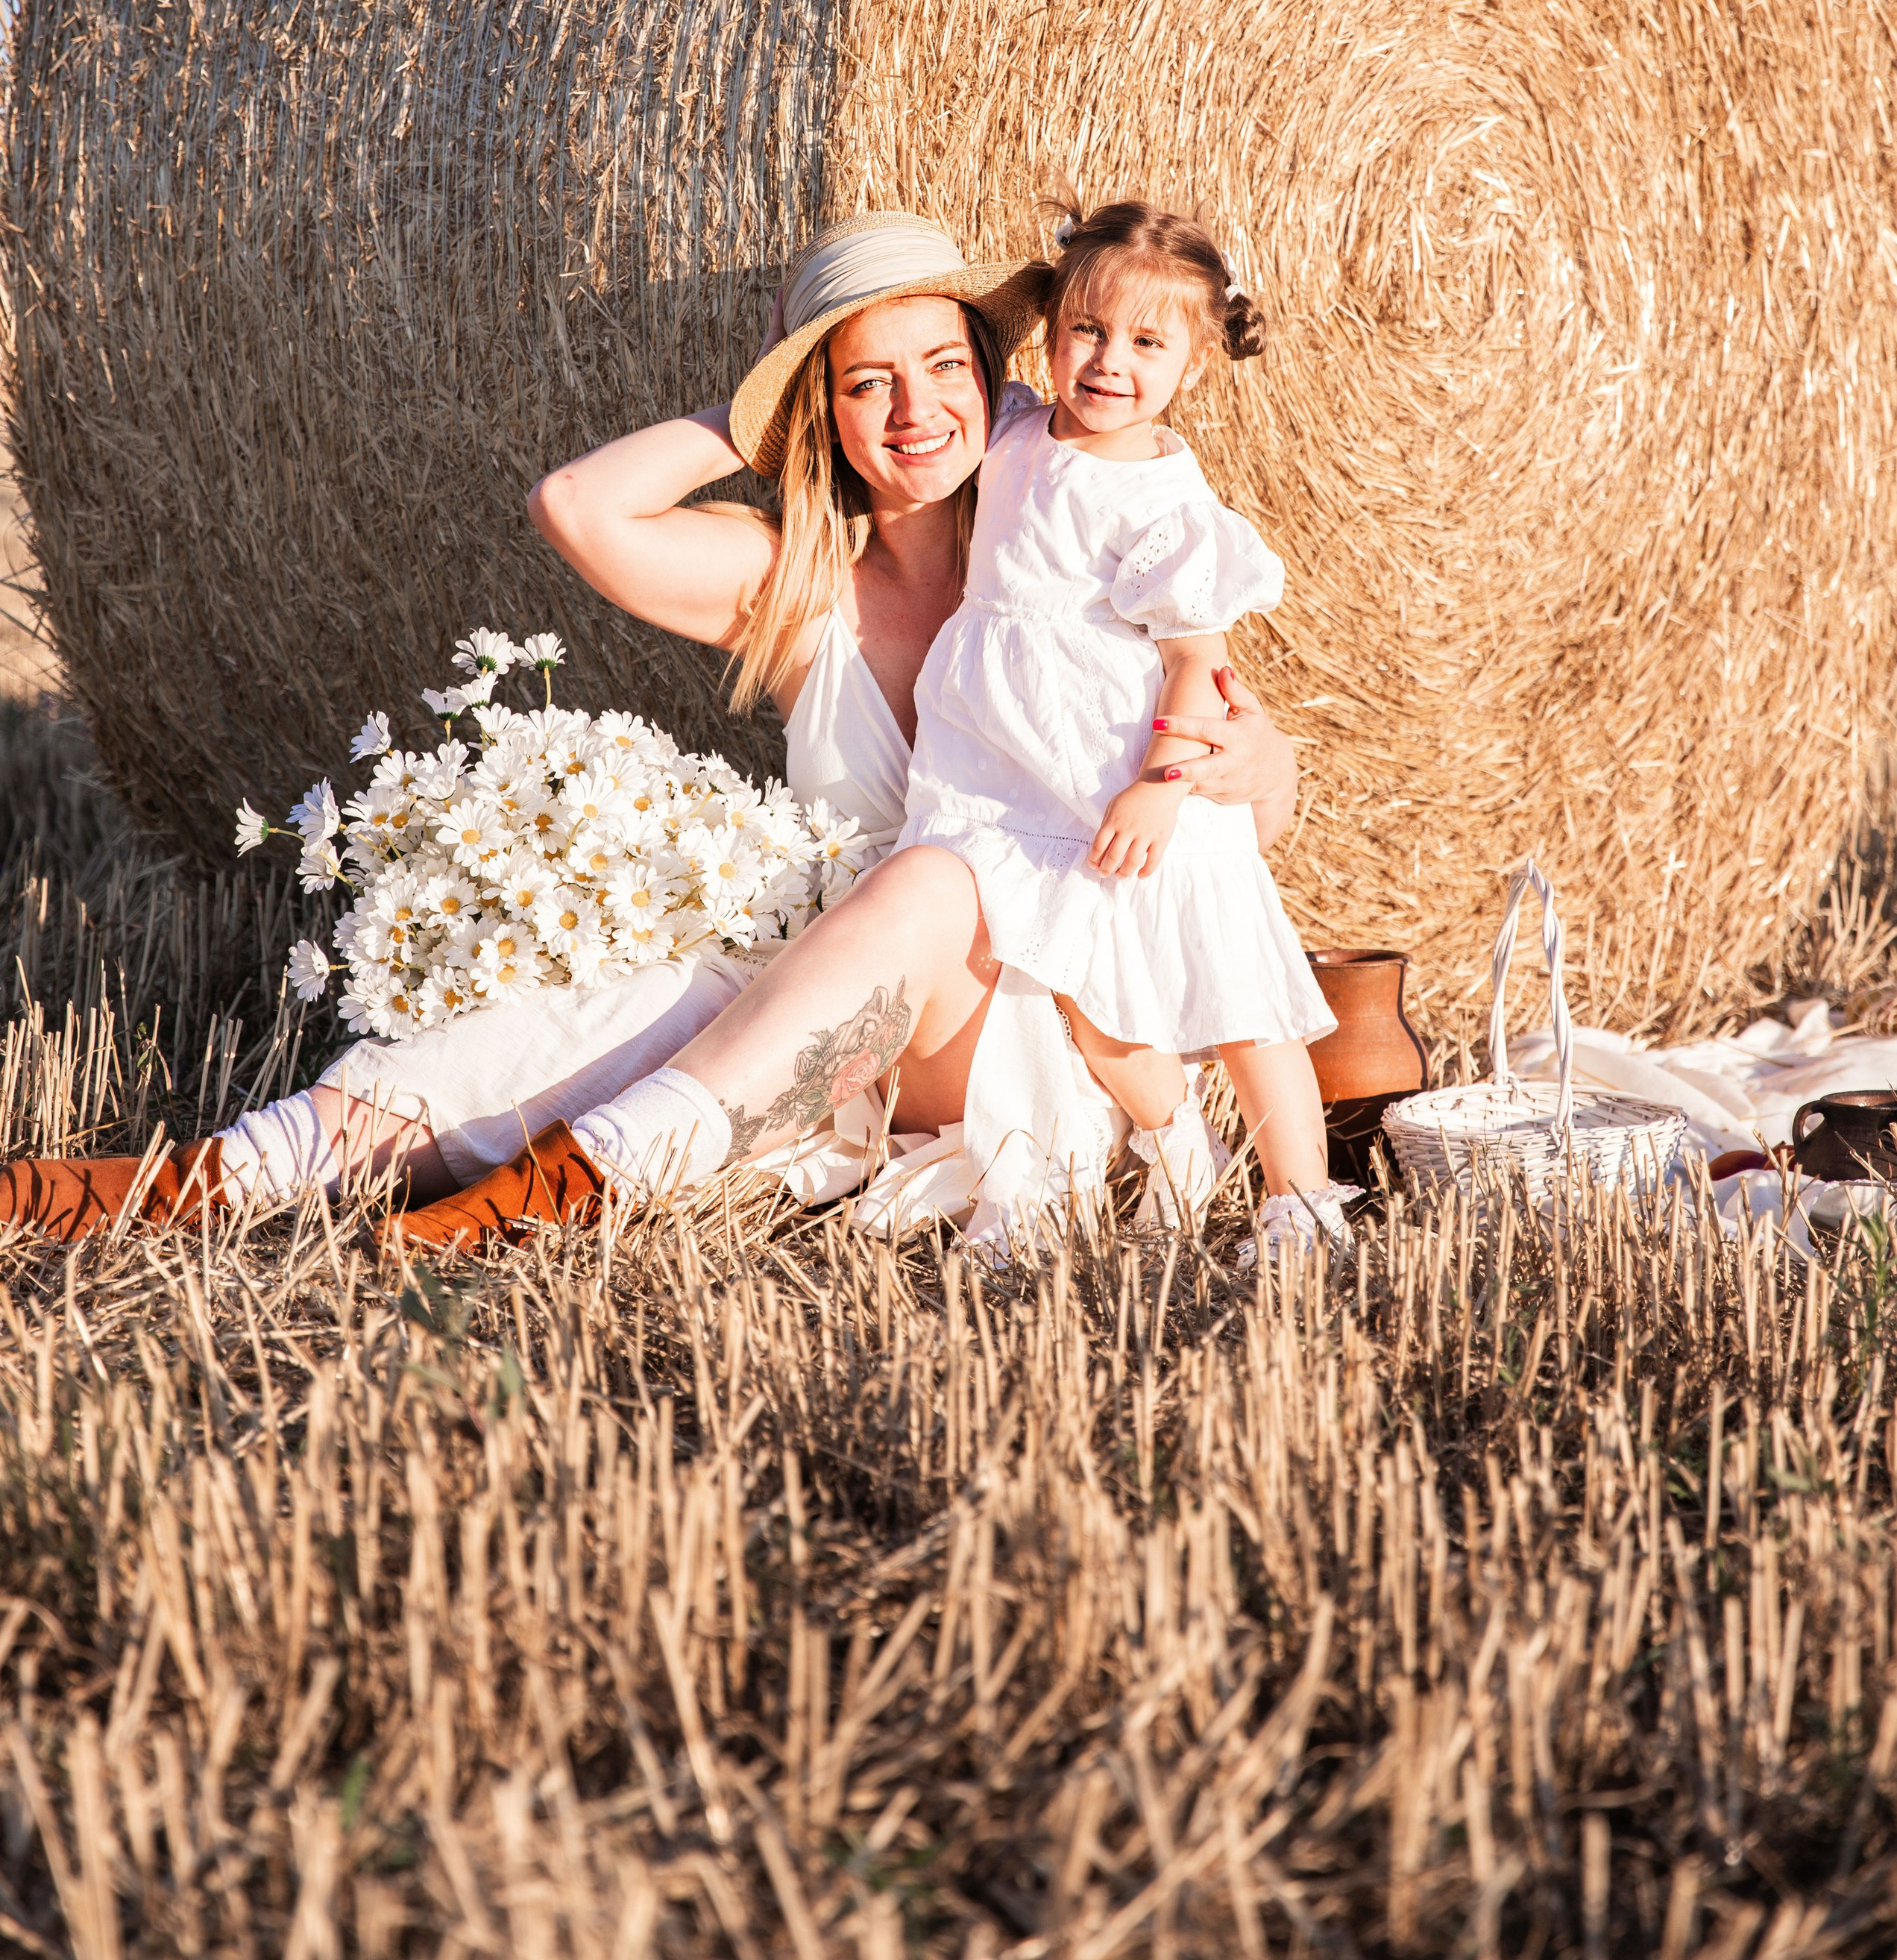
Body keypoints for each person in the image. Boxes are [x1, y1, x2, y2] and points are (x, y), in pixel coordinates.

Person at [0, 212, 1299, 1247]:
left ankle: (595, 1175)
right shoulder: (790, 581)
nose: (915, 411)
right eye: (867, 385)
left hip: (1025, 1021)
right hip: (816, 1001)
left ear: (995, 373)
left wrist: (1247, 760)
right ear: (824, 413)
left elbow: (1249, 809)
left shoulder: (1090, 565)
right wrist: (762, 402)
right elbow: (578, 504)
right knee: (610, 1013)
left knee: (933, 878)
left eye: (945, 368)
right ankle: (210, 1178)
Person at [897, 198, 1359, 1257]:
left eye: (1148, 343)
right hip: (1016, 764)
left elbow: (1202, 663)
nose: (1110, 362)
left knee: (1239, 999)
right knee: (1090, 1001)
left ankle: (1299, 1199)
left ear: (1193, 367)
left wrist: (1160, 785)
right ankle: (1175, 1140)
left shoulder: (1164, 501)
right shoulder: (1014, 426)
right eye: (1086, 332)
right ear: (1051, 335)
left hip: (1132, 777)